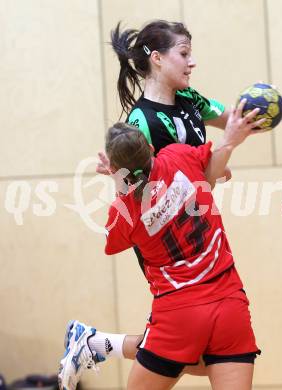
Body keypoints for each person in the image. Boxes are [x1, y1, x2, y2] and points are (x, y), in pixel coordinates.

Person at [58, 101, 264, 390]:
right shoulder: (178, 155)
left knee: (178, 362)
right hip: (229, 300)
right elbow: (211, 166)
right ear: (152, 149)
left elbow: (113, 242)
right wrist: (228, 144)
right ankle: (96, 343)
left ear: (115, 167)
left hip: (178, 312)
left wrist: (121, 185)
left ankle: (96, 343)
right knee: (215, 361)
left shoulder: (124, 210)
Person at [93, 19, 242, 374]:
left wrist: (259, 110)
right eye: (184, 54)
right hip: (169, 243)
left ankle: (99, 343)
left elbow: (231, 119)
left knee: (212, 354)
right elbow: (152, 199)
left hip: (203, 229)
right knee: (210, 356)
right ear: (157, 59)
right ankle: (98, 343)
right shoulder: (140, 122)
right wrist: (214, 164)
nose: (192, 63)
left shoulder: (191, 100)